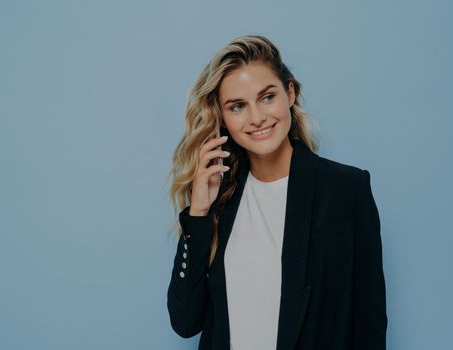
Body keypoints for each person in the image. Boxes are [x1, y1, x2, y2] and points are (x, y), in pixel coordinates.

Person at [166, 34, 388, 350]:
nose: (257, 118)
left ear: (290, 93)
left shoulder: (346, 190)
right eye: (238, 106)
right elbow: (186, 322)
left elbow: (369, 325)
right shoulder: (221, 197)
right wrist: (199, 212)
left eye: (267, 97)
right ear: (223, 118)